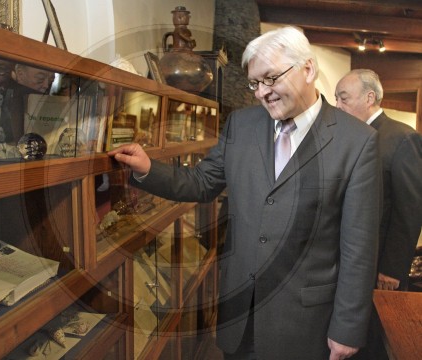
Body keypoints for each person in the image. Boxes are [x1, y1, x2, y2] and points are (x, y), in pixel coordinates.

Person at [109, 26, 381, 360]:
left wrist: (347, 329)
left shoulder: (358, 142)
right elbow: (202, 182)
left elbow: (359, 247)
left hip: (306, 326)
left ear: (308, 69)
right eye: (254, 82)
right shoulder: (242, 124)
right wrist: (148, 169)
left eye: (271, 78)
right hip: (240, 317)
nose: (261, 92)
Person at [335, 69, 422, 360]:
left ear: (369, 97)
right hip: (350, 262)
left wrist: (392, 269)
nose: (338, 106)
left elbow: (409, 210)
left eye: (343, 98)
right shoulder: (350, 137)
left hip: (381, 267)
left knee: (374, 346)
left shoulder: (402, 138)